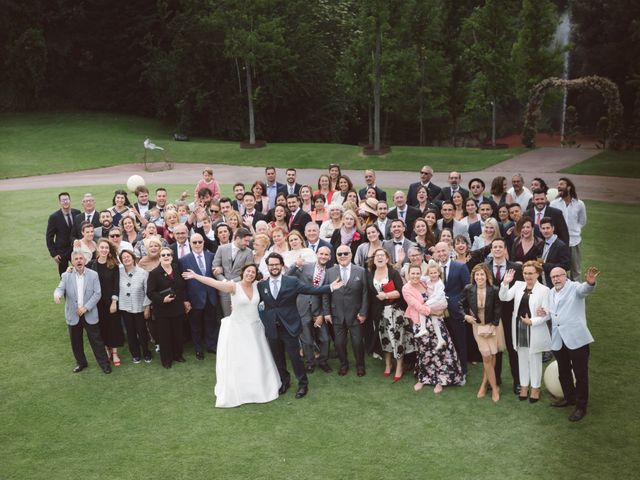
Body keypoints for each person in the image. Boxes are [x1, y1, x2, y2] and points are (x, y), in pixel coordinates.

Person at [183, 264, 281, 408]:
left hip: (255, 328)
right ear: (243, 273)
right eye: (248, 271)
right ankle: (241, 390)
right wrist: (196, 276)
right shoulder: (233, 286)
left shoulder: (257, 286)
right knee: (241, 360)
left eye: (253, 272)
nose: (250, 274)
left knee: (257, 357)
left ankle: (259, 387)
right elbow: (213, 282)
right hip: (239, 328)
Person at [258, 252, 342, 399]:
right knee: (278, 358)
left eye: (276, 264)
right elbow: (254, 301)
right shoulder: (261, 285)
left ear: (282, 265)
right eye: (271, 265)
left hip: (289, 326)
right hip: (272, 328)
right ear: (268, 266)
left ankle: (303, 384)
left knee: (295, 358)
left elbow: (311, 290)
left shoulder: (291, 281)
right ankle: (285, 381)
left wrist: (330, 287)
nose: (274, 267)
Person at [545, 266, 599, 422]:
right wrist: (545, 312)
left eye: (558, 276)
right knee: (563, 371)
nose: (556, 279)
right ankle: (569, 398)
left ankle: (581, 407)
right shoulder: (550, 292)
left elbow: (585, 290)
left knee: (580, 374)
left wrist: (590, 283)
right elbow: (552, 311)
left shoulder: (575, 287)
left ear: (565, 276)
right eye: (553, 277)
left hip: (576, 339)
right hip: (558, 339)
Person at [403, 263, 462, 393]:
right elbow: (417, 306)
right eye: (412, 273)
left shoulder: (425, 283)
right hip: (421, 322)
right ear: (408, 274)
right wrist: (432, 312)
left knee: (440, 350)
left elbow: (437, 295)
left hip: (436, 322)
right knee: (424, 351)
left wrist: (439, 310)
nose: (415, 276)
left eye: (417, 273)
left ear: (421, 273)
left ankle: (441, 379)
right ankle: (423, 378)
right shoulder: (406, 288)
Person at [499, 260, 551, 402]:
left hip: (534, 328)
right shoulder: (517, 285)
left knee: (534, 359)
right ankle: (524, 386)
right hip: (519, 327)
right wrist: (505, 283)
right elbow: (503, 297)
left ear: (538, 274)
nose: (528, 276)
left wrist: (532, 321)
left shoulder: (544, 290)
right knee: (521, 358)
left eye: (531, 273)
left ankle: (535, 388)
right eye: (525, 273)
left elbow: (547, 314)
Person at [53, 250, 111, 374]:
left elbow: (97, 293)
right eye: (76, 259)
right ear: (72, 262)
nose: (79, 261)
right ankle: (81, 363)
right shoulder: (66, 275)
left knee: (96, 341)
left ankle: (104, 364)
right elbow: (60, 288)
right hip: (73, 315)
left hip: (89, 313)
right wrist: (57, 295)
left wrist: (86, 307)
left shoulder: (93, 275)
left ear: (84, 261)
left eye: (81, 258)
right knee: (76, 342)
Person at [367, 248, 414, 382]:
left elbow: (400, 292)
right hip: (379, 312)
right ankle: (388, 364)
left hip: (394, 311)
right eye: (377, 255)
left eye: (383, 255)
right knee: (384, 338)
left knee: (397, 339)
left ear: (387, 259)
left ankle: (399, 366)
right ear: (374, 259)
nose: (380, 257)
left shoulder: (393, 273)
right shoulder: (370, 274)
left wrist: (386, 295)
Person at [460, 263, 505, 402]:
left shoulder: (494, 289)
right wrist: (465, 316)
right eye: (477, 274)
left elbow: (498, 309)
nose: (479, 277)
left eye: (482, 274)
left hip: (493, 326)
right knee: (486, 357)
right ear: (473, 276)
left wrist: (493, 326)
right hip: (478, 326)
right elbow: (460, 304)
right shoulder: (468, 289)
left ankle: (485, 385)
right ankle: (494, 388)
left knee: (492, 356)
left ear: (486, 276)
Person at [322, 246, 369, 376]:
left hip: (356, 315)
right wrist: (326, 312)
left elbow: (365, 293)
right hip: (336, 315)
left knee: (358, 342)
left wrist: (363, 312)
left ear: (351, 254)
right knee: (339, 343)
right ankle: (344, 364)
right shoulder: (330, 272)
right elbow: (326, 294)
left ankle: (360, 365)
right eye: (339, 254)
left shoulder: (360, 271)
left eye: (345, 253)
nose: (342, 256)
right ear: (336, 256)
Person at [287, 246, 334, 374]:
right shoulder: (306, 266)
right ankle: (310, 362)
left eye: (326, 255)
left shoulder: (330, 273)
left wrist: (322, 314)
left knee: (324, 338)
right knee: (306, 339)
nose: (323, 256)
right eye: (321, 254)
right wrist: (296, 265)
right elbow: (287, 276)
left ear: (329, 257)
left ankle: (323, 361)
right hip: (302, 307)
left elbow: (327, 294)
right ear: (317, 254)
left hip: (318, 309)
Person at [433, 241, 471, 378]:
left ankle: (462, 371)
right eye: (438, 251)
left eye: (444, 250)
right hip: (438, 313)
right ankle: (446, 368)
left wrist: (461, 306)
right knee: (442, 341)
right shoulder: (433, 269)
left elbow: (468, 289)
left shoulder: (460, 267)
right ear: (435, 253)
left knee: (459, 341)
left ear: (449, 250)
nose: (441, 254)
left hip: (456, 312)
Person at [179, 233, 219, 359]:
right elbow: (183, 283)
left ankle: (211, 346)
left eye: (200, 242)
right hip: (194, 298)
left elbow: (215, 274)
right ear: (190, 244)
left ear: (203, 242)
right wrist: (185, 300)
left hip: (211, 296)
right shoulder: (184, 260)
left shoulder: (212, 256)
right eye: (194, 242)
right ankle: (198, 349)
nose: (197, 244)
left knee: (211, 323)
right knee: (196, 326)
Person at [147, 247, 187, 369]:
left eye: (168, 254)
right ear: (159, 258)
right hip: (163, 310)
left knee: (178, 334)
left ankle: (177, 355)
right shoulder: (154, 273)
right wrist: (162, 299)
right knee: (165, 337)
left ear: (171, 256)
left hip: (178, 309)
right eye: (163, 255)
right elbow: (150, 292)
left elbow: (182, 287)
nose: (166, 257)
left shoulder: (176, 268)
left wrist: (185, 301)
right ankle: (166, 360)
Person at [88, 238, 124, 366]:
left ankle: (114, 353)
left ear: (109, 250)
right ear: (97, 249)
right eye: (102, 247)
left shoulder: (113, 265)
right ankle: (105, 350)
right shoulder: (91, 265)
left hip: (111, 302)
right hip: (96, 303)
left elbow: (116, 285)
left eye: (106, 248)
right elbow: (79, 270)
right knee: (101, 327)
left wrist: (114, 302)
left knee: (113, 326)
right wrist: (69, 270)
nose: (104, 250)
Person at [118, 250, 152, 364]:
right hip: (125, 307)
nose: (126, 259)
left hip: (139, 307)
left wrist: (147, 307)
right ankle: (135, 354)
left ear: (133, 258)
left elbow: (148, 292)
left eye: (128, 257)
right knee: (130, 332)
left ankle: (146, 352)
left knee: (142, 332)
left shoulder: (143, 273)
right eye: (124, 258)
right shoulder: (118, 271)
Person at [550, 177, 587, 281]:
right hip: (558, 242)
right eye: (558, 184)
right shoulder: (554, 204)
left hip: (574, 241)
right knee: (559, 270)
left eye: (561, 184)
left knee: (576, 270)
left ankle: (577, 296)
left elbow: (582, 221)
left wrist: (575, 230)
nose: (558, 186)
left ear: (569, 187)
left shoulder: (579, 204)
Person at [212, 227, 254, 317]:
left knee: (240, 317)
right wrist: (224, 282)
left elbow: (247, 273)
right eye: (246, 241)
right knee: (227, 317)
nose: (247, 244)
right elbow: (214, 267)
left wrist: (231, 282)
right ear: (238, 238)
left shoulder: (249, 252)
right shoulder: (221, 249)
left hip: (239, 289)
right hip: (224, 291)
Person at [47, 192, 81, 276]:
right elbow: (49, 237)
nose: (65, 202)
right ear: (60, 202)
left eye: (67, 199)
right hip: (62, 252)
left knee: (79, 272)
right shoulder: (54, 217)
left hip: (76, 249)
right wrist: (54, 254)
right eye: (63, 200)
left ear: (70, 200)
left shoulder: (77, 213)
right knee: (64, 276)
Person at [539, 217, 571, 286]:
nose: (545, 231)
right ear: (540, 229)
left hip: (557, 283)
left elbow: (566, 266)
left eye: (548, 228)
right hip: (544, 282)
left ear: (553, 228)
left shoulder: (561, 245)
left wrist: (545, 266)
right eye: (543, 228)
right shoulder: (541, 243)